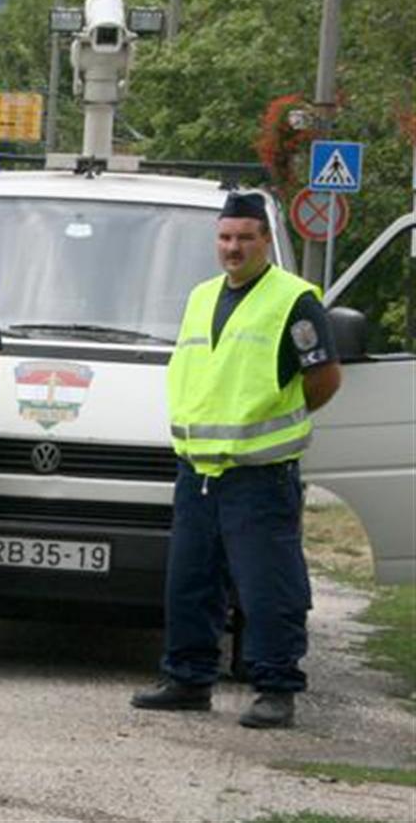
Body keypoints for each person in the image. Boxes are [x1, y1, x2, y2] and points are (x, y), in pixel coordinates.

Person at [132, 190, 341, 728]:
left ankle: (276, 688)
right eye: (225, 237)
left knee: (267, 586)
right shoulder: (202, 296)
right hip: (197, 469)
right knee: (190, 583)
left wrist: (275, 422)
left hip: (260, 474)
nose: (233, 247)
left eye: (245, 237)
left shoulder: (294, 299)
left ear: (265, 240)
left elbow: (324, 379)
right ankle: (187, 679)